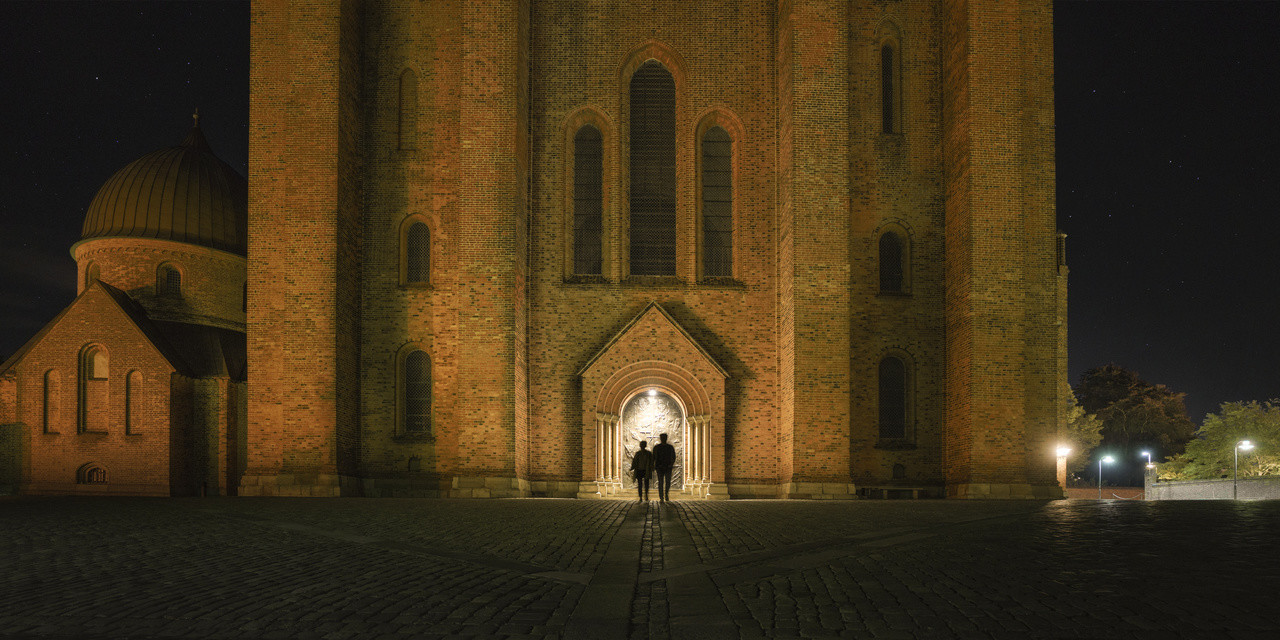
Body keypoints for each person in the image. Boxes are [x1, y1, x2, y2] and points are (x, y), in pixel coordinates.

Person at [653, 432, 676, 501]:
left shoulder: (670, 447)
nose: (663, 439)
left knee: (667, 481)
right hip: (660, 467)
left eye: (664, 438)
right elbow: (654, 457)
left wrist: (671, 464)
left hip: (667, 467)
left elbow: (673, 457)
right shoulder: (657, 447)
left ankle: (666, 494)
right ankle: (661, 496)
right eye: (662, 438)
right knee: (660, 482)